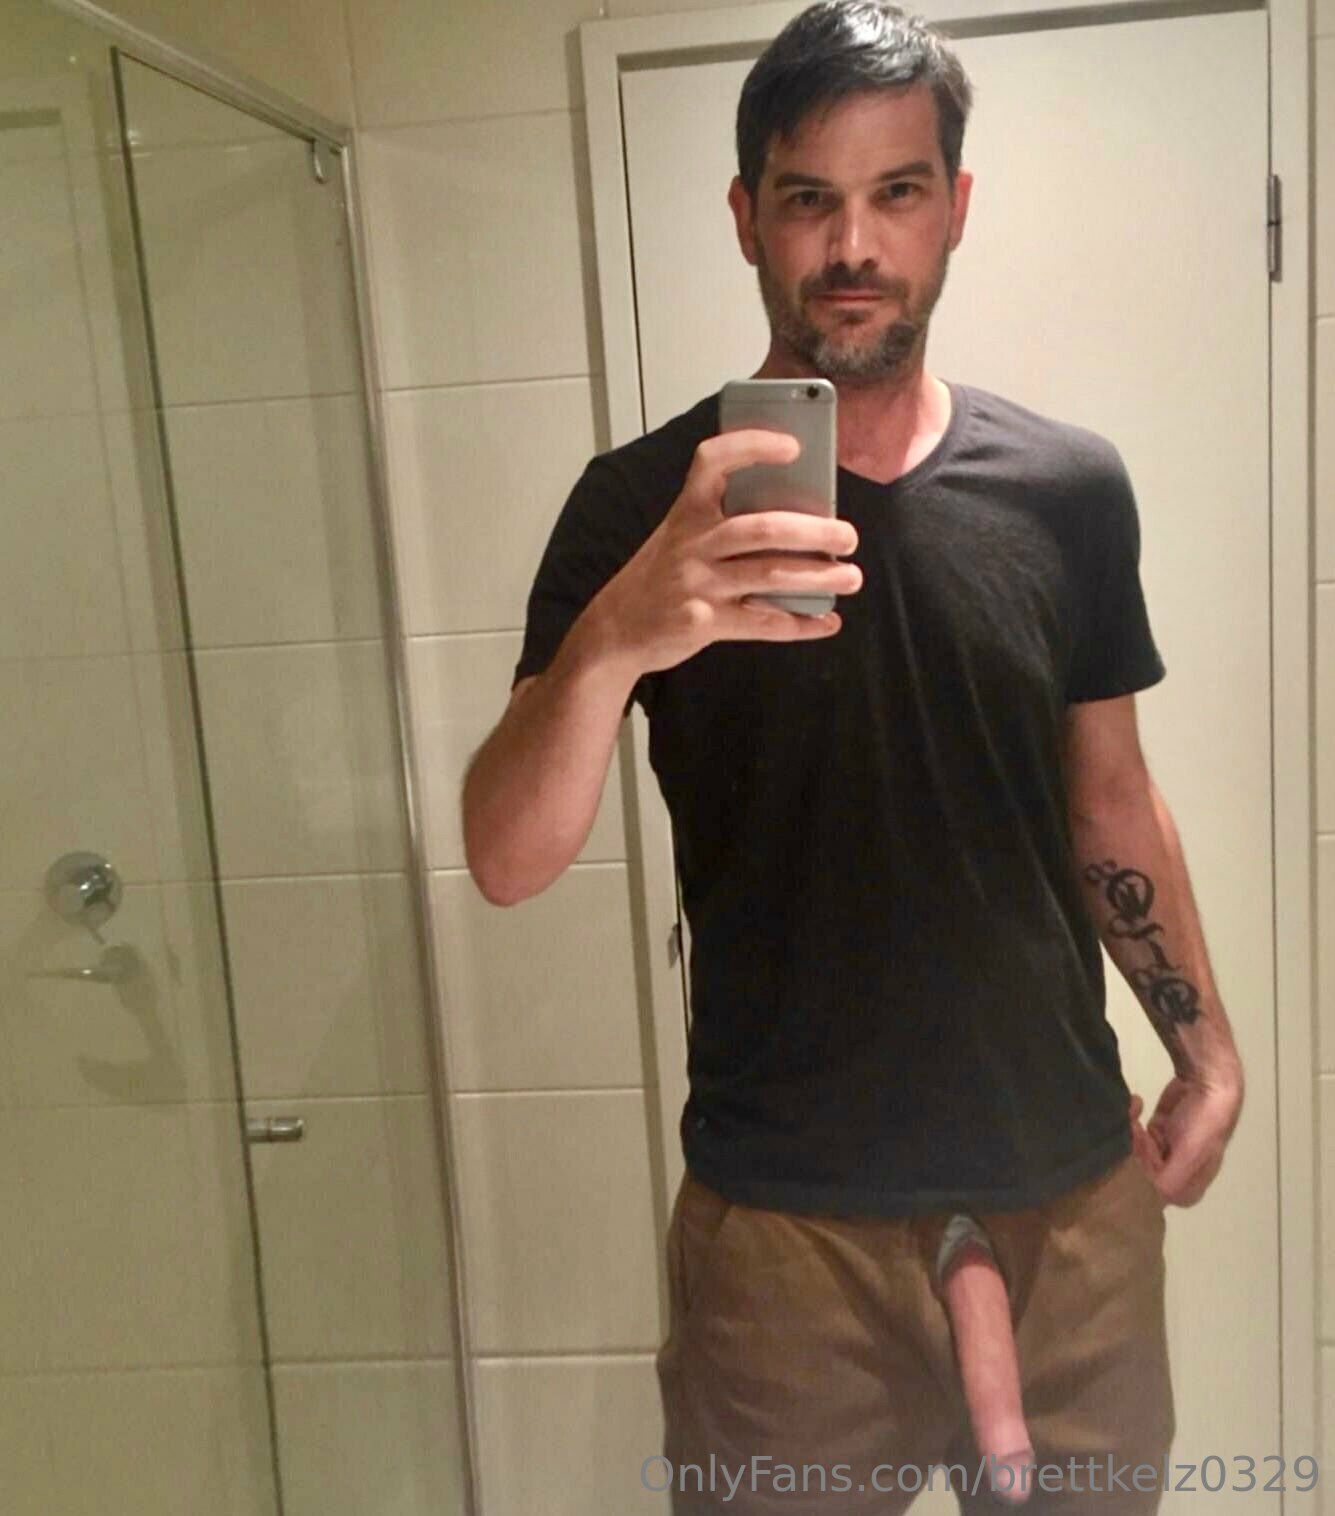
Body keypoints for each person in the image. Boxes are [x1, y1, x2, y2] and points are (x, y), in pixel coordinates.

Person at [461, 2, 1246, 1510]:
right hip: (787, 1229)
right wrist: (621, 632)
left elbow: (1109, 797)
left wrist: (1205, 1052)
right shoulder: (639, 503)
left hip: (1068, 1199)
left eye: (897, 193)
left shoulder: (1069, 489)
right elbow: (506, 857)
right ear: (745, 216)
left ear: (956, 206)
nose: (853, 247)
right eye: (809, 198)